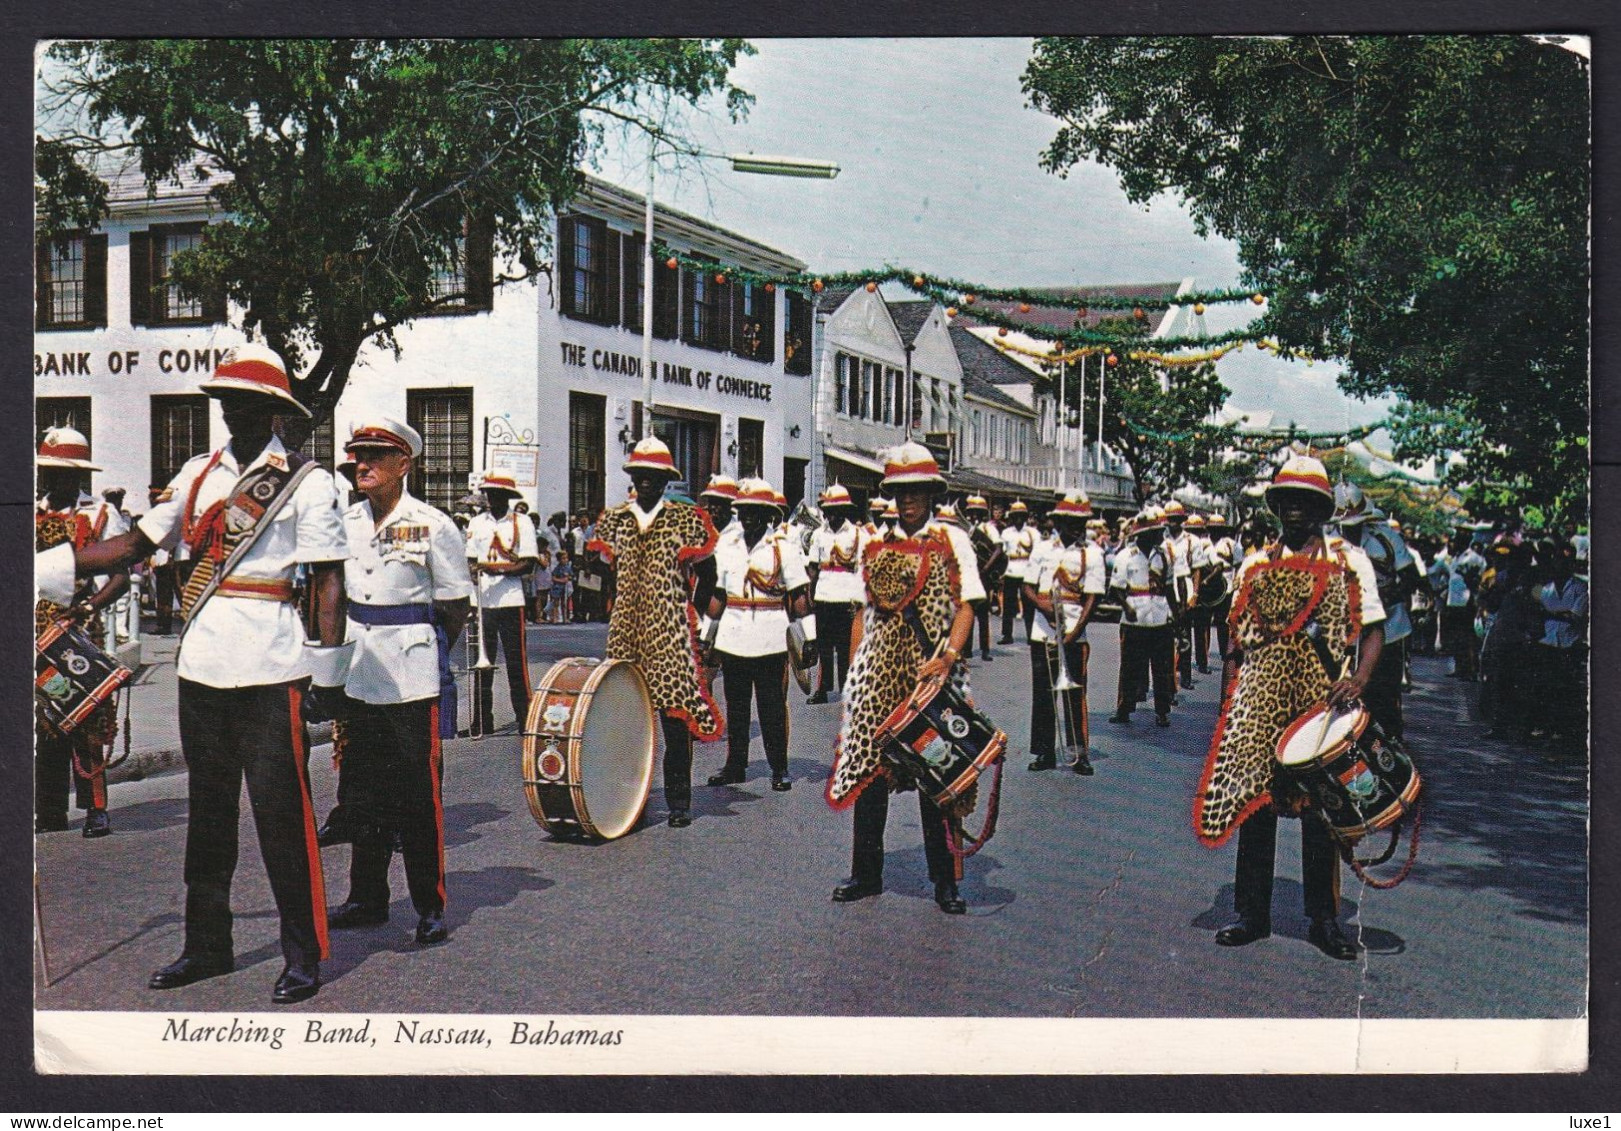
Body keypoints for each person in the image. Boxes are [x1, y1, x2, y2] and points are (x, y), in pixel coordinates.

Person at [69, 343, 349, 1004]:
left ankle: (304, 951)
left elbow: (328, 579)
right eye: (226, 402)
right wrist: (52, 561)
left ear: (275, 410)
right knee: (210, 814)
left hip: (272, 665)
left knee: (282, 815)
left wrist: (329, 673)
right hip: (202, 666)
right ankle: (207, 944)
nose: (232, 415)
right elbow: (137, 545)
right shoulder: (197, 474)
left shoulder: (306, 480)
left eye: (247, 403)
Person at [1196, 455, 1386, 962]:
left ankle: (1323, 919)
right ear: (1275, 506)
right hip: (1260, 699)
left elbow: (1373, 631)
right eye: (1287, 501)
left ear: (1322, 508)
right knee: (1255, 806)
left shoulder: (1351, 561)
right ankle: (1251, 914)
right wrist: (1229, 696)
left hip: (1322, 703)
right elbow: (1236, 638)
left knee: (1323, 812)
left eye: (1306, 501)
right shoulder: (1256, 563)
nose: (1295, 510)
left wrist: (1359, 680)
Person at [324, 419, 472, 947]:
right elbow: (335, 597)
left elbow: (455, 605)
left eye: (375, 456)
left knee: (417, 795)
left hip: (411, 676)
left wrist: (427, 652)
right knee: (362, 791)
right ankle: (367, 897)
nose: (362, 464)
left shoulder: (434, 524)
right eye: (357, 454)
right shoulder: (346, 521)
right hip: (360, 670)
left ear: (404, 464)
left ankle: (429, 905)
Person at [827, 442, 986, 915]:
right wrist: (856, 673)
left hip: (930, 674)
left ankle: (945, 880)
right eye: (900, 492)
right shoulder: (875, 542)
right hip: (879, 674)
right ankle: (866, 872)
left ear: (932, 493)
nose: (909, 500)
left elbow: (967, 606)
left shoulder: (952, 540)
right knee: (869, 773)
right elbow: (862, 612)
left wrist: (948, 657)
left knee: (938, 775)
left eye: (917, 491)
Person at [592, 437, 723, 828]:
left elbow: (710, 574)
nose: (646, 482)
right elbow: (602, 572)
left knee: (675, 720)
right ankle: (630, 801)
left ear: (666, 481)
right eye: (640, 476)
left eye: (654, 477)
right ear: (632, 478)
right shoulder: (614, 520)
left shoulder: (685, 521)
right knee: (628, 720)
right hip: (626, 636)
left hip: (670, 636)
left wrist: (690, 615)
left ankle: (679, 801)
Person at [35, 428, 130, 837]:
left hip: (78, 628)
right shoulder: (30, 510)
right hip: (37, 628)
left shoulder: (99, 515)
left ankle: (96, 808)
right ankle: (50, 810)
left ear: (79, 477)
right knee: (46, 717)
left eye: (64, 473)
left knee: (87, 715)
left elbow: (120, 577)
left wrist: (89, 606)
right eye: (50, 472)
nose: (56, 481)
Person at [705, 478, 810, 791]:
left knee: (771, 707)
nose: (748, 516)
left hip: (769, 636)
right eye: (744, 510)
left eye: (755, 511)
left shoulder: (784, 548)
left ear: (769, 515)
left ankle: (779, 767)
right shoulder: (726, 546)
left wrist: (810, 639)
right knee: (736, 707)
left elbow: (800, 597)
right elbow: (718, 596)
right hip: (733, 635)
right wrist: (705, 635)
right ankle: (735, 765)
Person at [1023, 492, 1106, 774]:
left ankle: (1079, 753)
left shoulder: (1093, 553)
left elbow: (1093, 598)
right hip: (1043, 629)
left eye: (1080, 521)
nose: (1075, 526)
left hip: (1073, 630)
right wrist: (1044, 609)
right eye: (1069, 520)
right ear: (1058, 521)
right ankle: (1045, 751)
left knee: (1074, 693)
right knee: (1043, 694)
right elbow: (1027, 587)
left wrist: (1075, 632)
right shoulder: (1042, 549)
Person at [1333, 483, 1422, 737]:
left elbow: (1411, 577)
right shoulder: (1326, 541)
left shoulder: (1385, 538)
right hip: (1343, 632)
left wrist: (1385, 594)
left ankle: (1390, 749)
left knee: (1383, 696)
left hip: (1388, 627)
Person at [464, 473, 538, 734]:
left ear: (508, 497)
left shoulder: (522, 522)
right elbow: (470, 560)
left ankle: (525, 717)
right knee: (482, 666)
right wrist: (474, 578)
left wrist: (494, 570)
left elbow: (528, 562)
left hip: (511, 600)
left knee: (517, 663)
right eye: (490, 493)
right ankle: (482, 721)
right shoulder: (476, 523)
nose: (493, 498)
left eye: (499, 494)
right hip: (484, 601)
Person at [1108, 508, 1175, 727]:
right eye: (1154, 532)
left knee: (1162, 668)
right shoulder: (1125, 556)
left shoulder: (1163, 557)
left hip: (1159, 617)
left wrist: (1176, 614)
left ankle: (1162, 710)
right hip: (1134, 618)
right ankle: (1124, 708)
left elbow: (1168, 587)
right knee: (1129, 667)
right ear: (1142, 534)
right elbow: (1116, 588)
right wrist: (1126, 606)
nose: (1158, 535)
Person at [806, 483, 865, 703]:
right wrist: (810, 593)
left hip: (847, 597)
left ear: (845, 510)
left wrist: (859, 599)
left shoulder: (857, 534)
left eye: (836, 510)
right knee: (823, 646)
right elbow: (813, 567)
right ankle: (822, 690)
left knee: (846, 646)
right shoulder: (819, 534)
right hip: (824, 595)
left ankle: (847, 688)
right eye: (828, 511)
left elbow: (863, 568)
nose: (831, 515)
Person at [1534, 541, 1588, 747]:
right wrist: (1558, 613)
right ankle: (1544, 726)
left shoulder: (1580, 587)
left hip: (1568, 643)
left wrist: (1550, 613)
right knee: (1544, 687)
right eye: (1557, 560)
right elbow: (1536, 608)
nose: (1559, 565)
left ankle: (1560, 731)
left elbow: (1575, 616)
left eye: (1564, 561)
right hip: (1546, 641)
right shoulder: (1544, 588)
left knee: (1563, 690)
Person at [1161, 501, 1202, 691]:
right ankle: (1169, 677)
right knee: (1167, 635)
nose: (1173, 523)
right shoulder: (1161, 538)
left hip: (1184, 585)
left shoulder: (1191, 540)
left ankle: (1185, 675)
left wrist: (1194, 593)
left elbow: (1196, 570)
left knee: (1185, 634)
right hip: (1166, 587)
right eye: (1170, 520)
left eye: (1176, 520)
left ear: (1182, 520)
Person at [1442, 531, 1487, 681]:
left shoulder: (1473, 558)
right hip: (1453, 601)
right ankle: (1460, 667)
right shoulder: (1456, 557)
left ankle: (1471, 670)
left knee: (1468, 637)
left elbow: (1476, 580)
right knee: (1456, 637)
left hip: (1466, 602)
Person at [964, 495, 1003, 661]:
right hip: (969, 572)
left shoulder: (989, 529)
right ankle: (966, 648)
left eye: (977, 512)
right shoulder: (966, 529)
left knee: (983, 614)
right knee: (967, 610)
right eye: (972, 512)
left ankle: (985, 649)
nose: (974, 516)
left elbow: (998, 549)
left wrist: (987, 568)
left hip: (983, 573)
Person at [999, 499, 1036, 643]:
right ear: (1012, 518)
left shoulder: (1032, 532)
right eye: (1016, 516)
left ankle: (1031, 634)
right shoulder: (1007, 533)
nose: (1018, 519)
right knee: (1008, 605)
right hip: (1011, 569)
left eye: (1021, 516)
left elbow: (1037, 553)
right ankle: (1007, 635)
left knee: (1028, 605)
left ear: (1026, 517)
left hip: (1026, 570)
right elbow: (1002, 553)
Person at [549, 549, 573, 624]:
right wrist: (561, 580)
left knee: (565, 603)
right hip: (557, 587)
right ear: (559, 560)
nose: (565, 560)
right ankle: (555, 618)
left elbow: (571, 576)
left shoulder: (568, 568)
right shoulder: (557, 568)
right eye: (563, 558)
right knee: (556, 603)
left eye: (566, 558)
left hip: (565, 588)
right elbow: (553, 578)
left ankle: (565, 618)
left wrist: (568, 578)